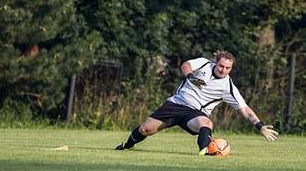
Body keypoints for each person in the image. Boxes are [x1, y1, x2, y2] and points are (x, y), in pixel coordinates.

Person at [115, 50, 279, 155]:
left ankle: (205, 151)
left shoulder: (228, 87)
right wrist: (191, 76)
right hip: (175, 104)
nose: (223, 70)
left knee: (206, 122)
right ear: (216, 63)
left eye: (227, 68)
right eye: (221, 66)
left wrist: (260, 126)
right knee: (145, 129)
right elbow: (186, 65)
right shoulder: (205, 64)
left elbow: (245, 109)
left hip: (193, 114)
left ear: (231, 69)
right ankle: (127, 146)